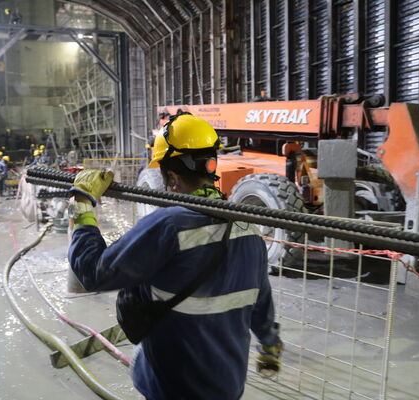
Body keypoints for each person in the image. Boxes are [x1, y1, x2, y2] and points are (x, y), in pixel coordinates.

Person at [68, 113, 282, 400]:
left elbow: (93, 272)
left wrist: (82, 203)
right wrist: (269, 347)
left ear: (170, 176)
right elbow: (261, 306)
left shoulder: (167, 226)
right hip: (228, 386)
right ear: (211, 166)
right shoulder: (248, 229)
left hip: (171, 385)